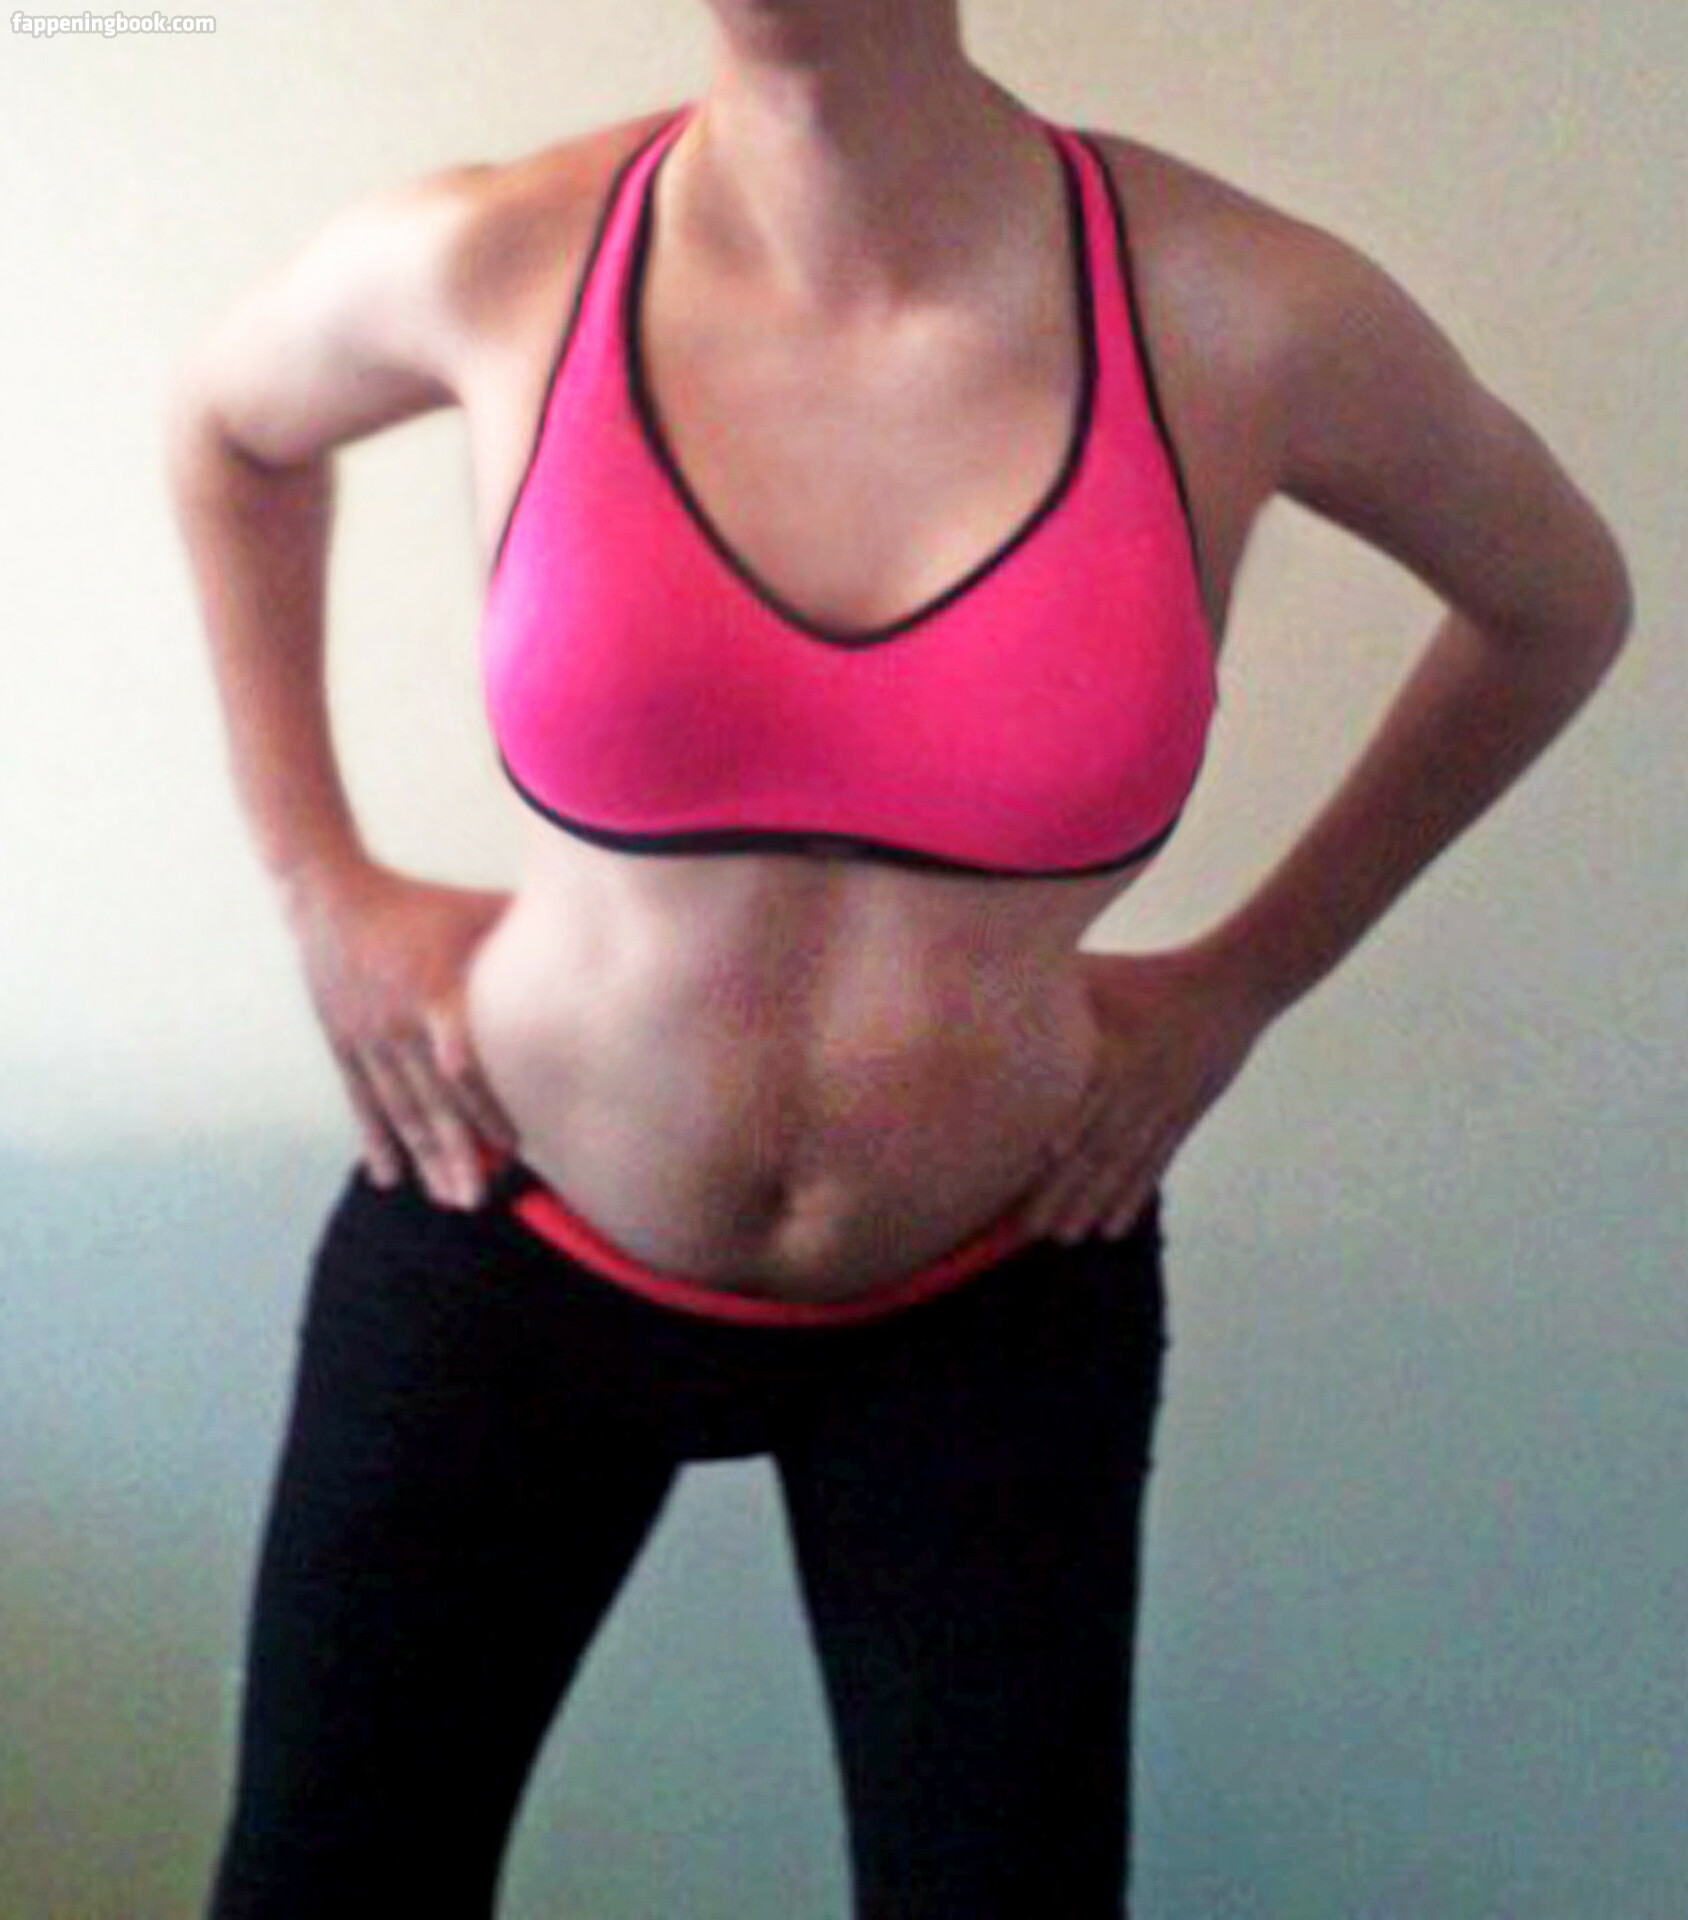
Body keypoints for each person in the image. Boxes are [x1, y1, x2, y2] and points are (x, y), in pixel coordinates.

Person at [166, 1, 1631, 1913]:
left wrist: (1247, 980)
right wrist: (320, 886)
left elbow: (1556, 604)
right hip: (501, 1239)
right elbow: (229, 434)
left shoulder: (1246, 313)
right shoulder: (498, 256)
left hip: (992, 1299)